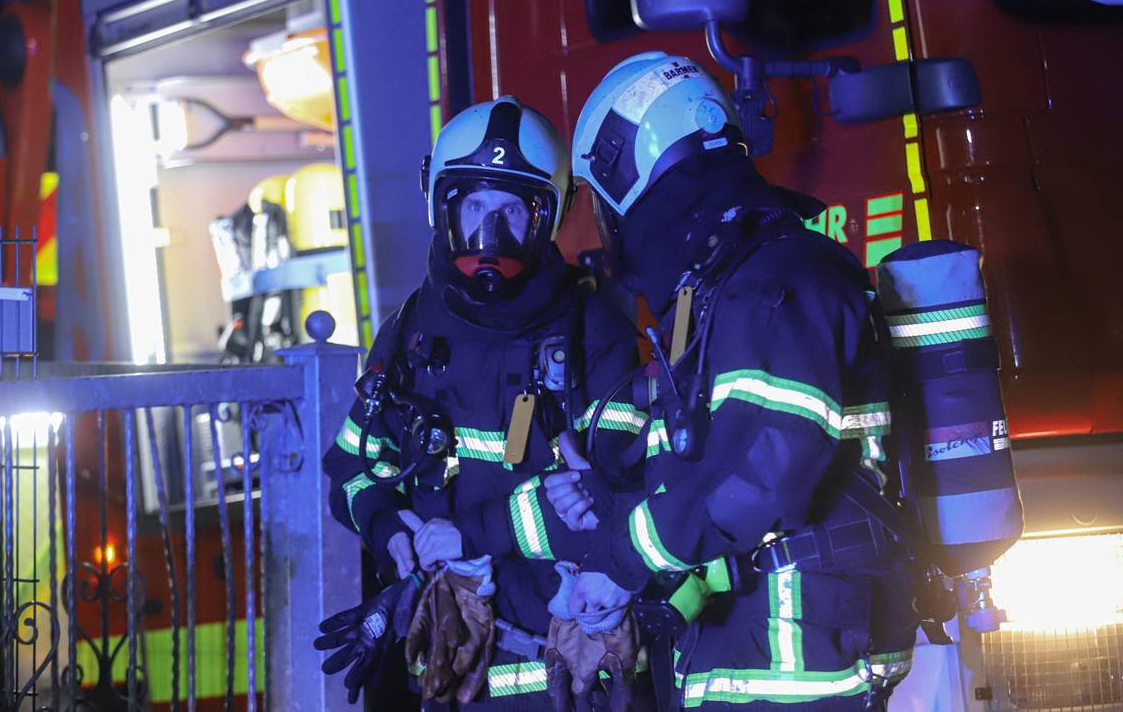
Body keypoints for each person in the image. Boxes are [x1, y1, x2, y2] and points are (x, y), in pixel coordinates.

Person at [553, 52, 918, 710]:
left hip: (793, 652)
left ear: (626, 173)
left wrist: (623, 561)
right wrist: (609, 495)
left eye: (596, 200)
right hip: (758, 639)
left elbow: (766, 468)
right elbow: (707, 458)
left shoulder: (772, 280)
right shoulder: (721, 284)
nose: (601, 226)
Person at [318, 97, 644, 710]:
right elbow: (353, 467)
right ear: (442, 206)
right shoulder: (411, 331)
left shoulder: (593, 334)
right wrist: (389, 529)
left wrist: (472, 535)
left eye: (512, 209)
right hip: (449, 673)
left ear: (546, 216)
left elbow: (621, 494)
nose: (490, 233)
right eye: (475, 206)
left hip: (562, 676)